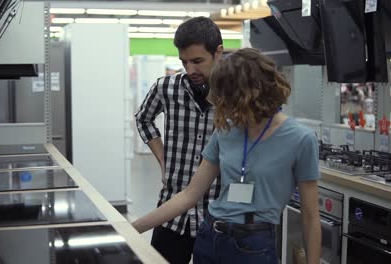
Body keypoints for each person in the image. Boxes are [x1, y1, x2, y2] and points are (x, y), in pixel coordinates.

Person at [133, 48, 321, 264]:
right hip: (209, 238)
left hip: (252, 246)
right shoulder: (226, 131)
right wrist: (131, 229)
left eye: (227, 100)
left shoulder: (301, 139)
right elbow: (189, 196)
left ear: (250, 93)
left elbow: (310, 216)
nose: (221, 107)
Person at [134, 17, 223, 263]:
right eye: (184, 62)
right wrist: (162, 159)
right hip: (171, 213)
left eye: (197, 61)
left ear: (218, 52)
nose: (190, 70)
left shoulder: (235, 94)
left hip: (217, 217)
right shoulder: (166, 88)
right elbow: (143, 119)